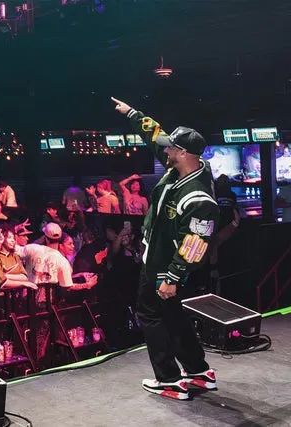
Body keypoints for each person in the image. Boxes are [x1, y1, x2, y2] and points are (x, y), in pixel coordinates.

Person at [112, 96, 220, 400]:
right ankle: (198, 371)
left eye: (171, 147)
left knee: (150, 314)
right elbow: (155, 135)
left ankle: (169, 379)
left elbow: (195, 245)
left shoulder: (198, 197)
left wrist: (172, 277)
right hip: (158, 258)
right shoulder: (179, 166)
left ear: (183, 152)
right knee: (172, 315)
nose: (165, 150)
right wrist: (132, 114)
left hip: (166, 265)